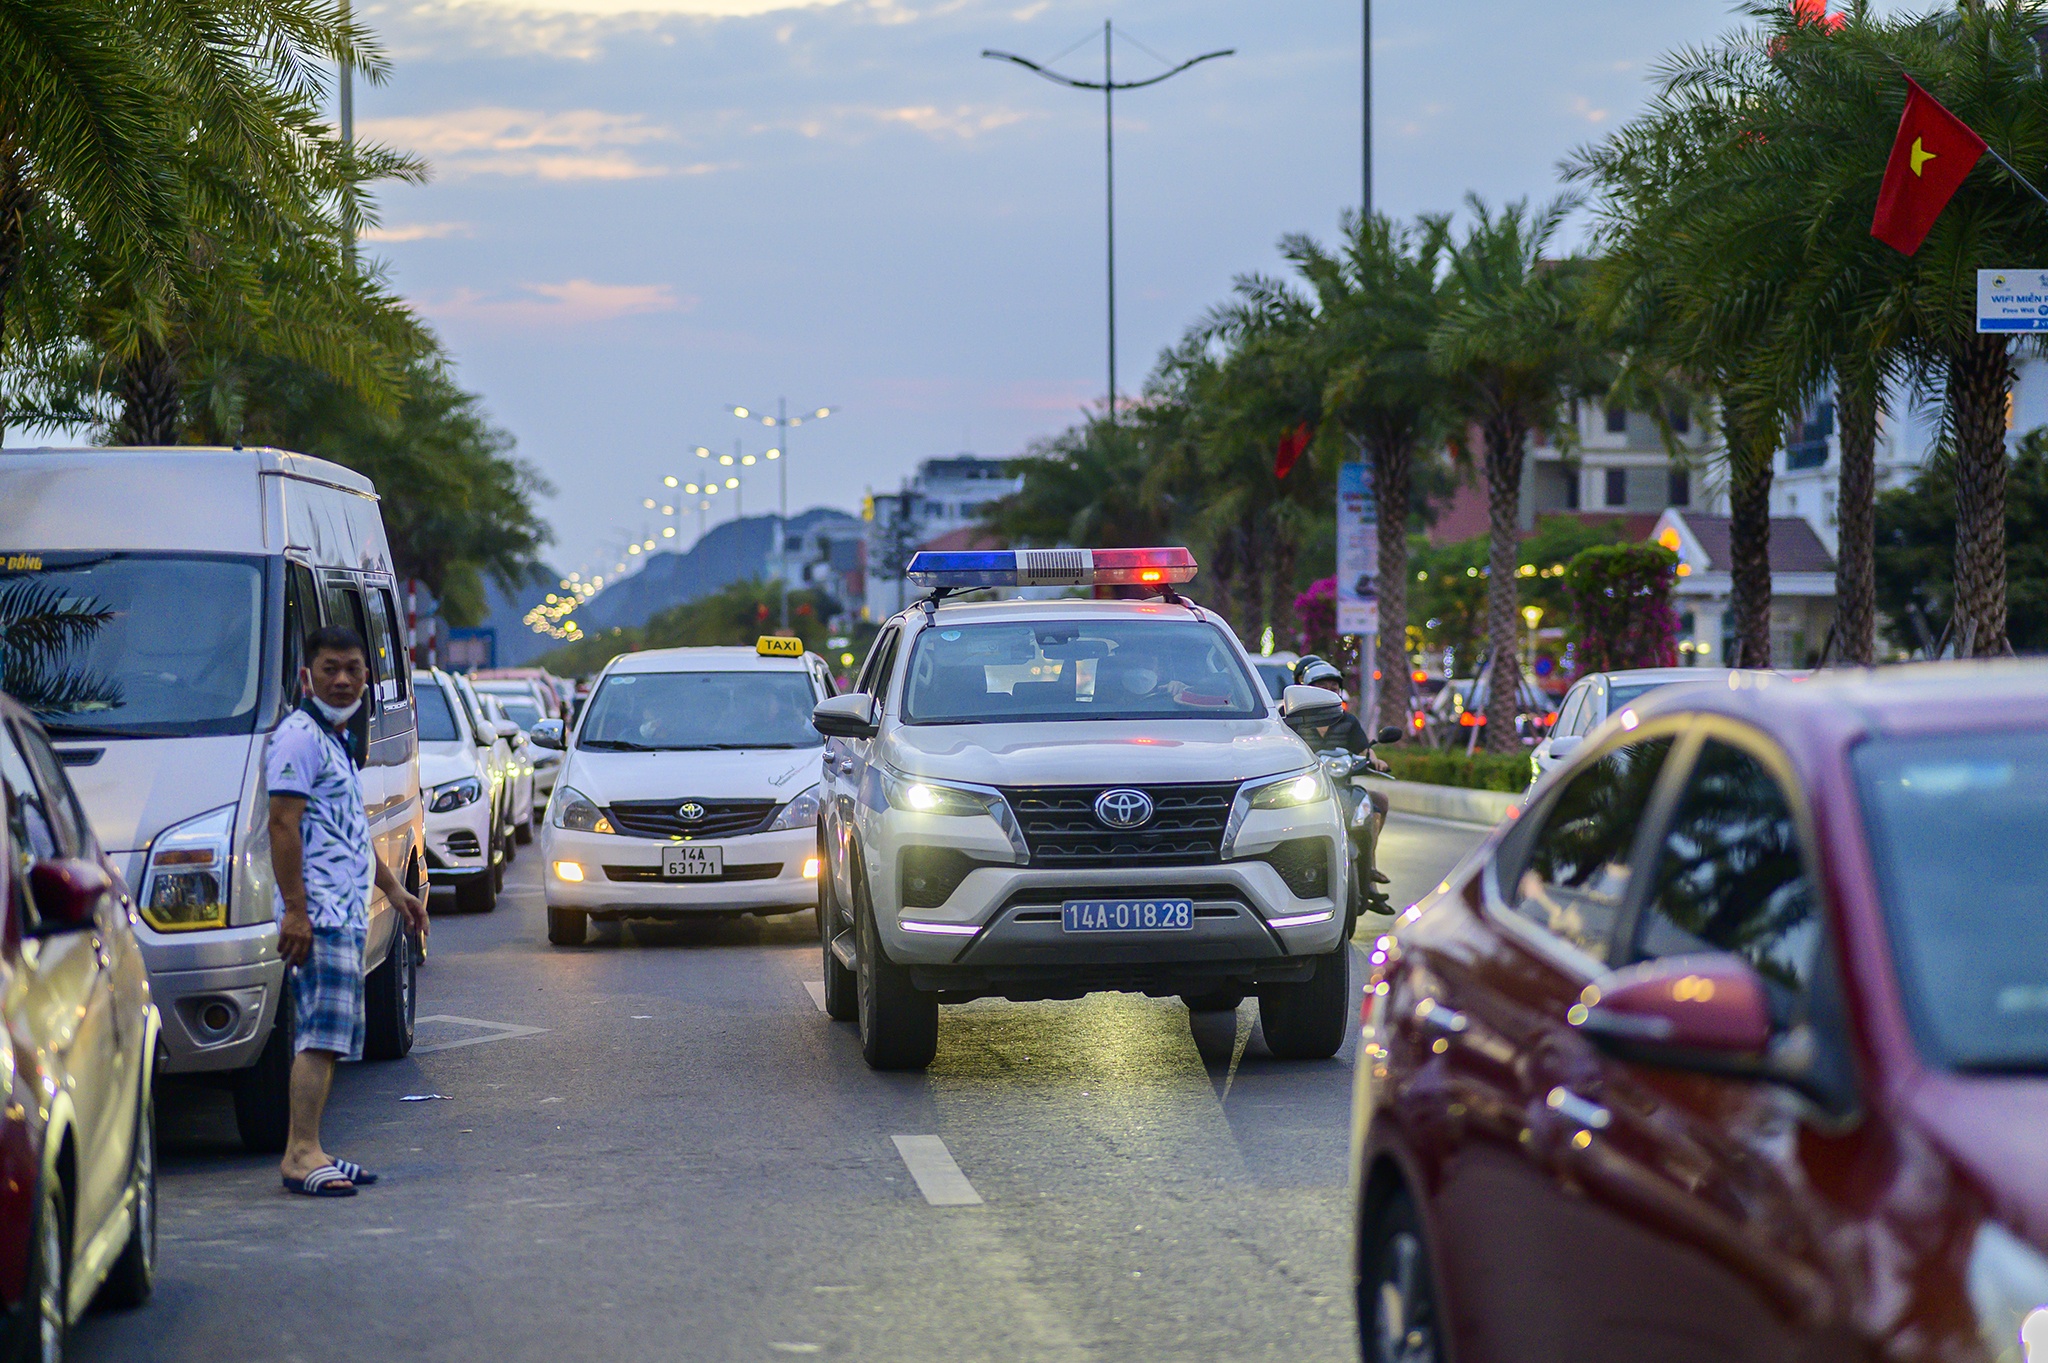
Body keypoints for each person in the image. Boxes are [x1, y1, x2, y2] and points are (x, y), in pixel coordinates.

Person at [267, 625, 429, 1198]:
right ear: (308, 676)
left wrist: (398, 892)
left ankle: (312, 1146)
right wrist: (296, 912)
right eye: (330, 668)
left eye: (353, 669)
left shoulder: (334, 739)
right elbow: (282, 823)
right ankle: (300, 1154)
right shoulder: (299, 738)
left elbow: (350, 834)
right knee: (319, 1036)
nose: (342, 679)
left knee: (332, 1037)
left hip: (346, 910)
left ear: (368, 675)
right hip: (321, 915)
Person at [1284, 656, 1392, 888]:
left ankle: (1369, 865)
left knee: (1376, 801)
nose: (1329, 694)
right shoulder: (1292, 721)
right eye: (1322, 689)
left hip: (1343, 788)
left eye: (1334, 689)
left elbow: (1365, 751)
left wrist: (1375, 761)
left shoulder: (1348, 722)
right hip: (1304, 792)